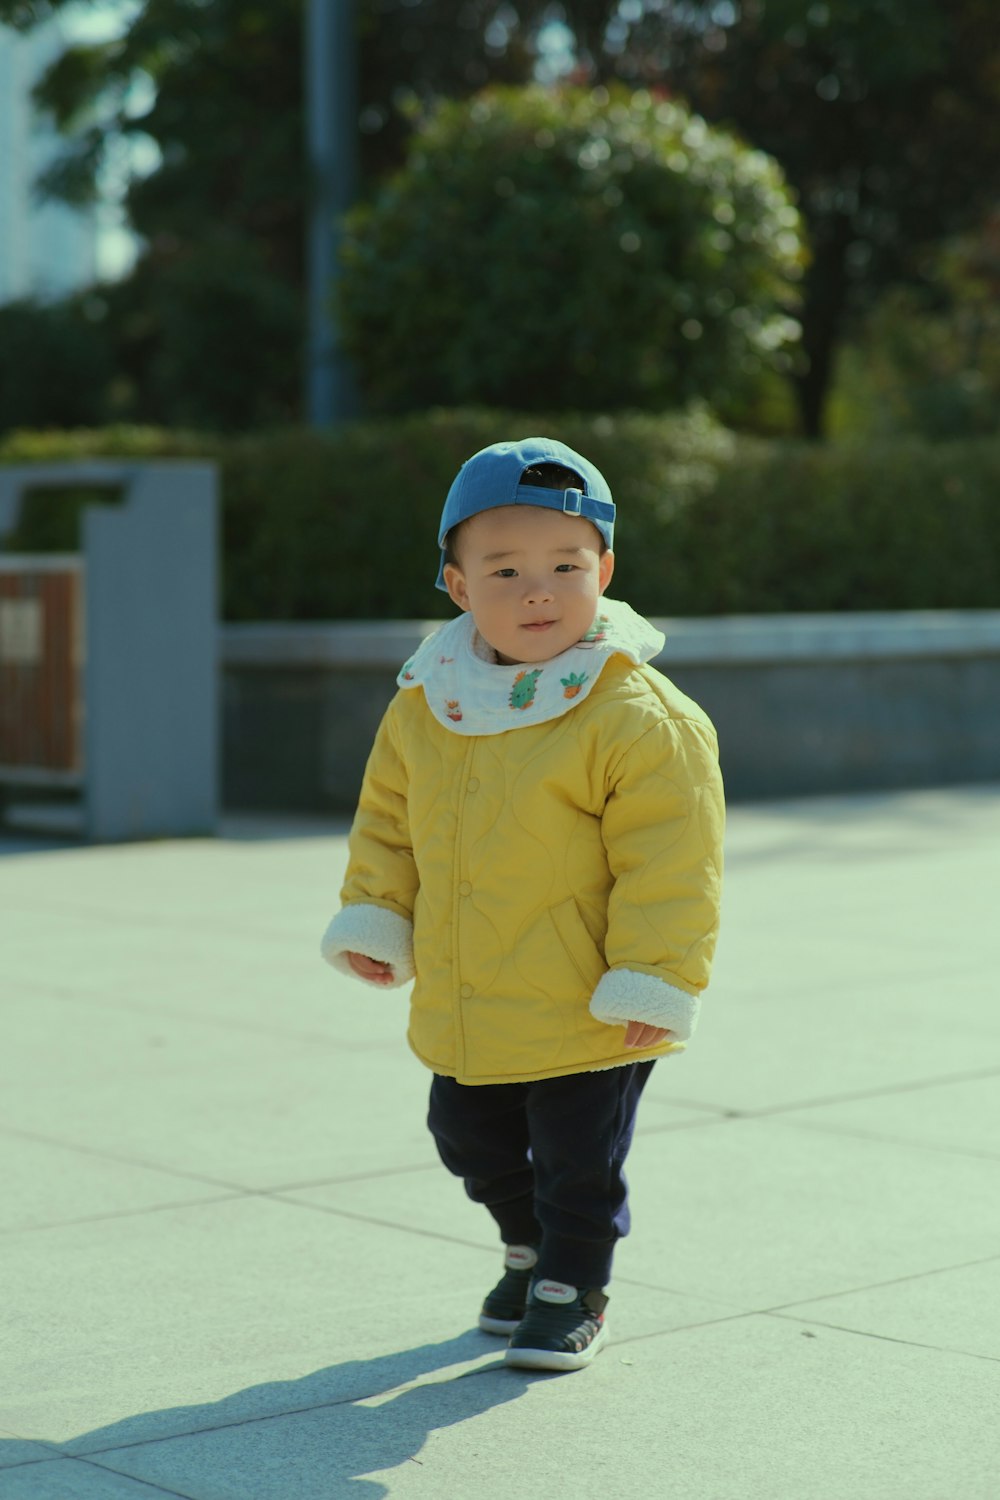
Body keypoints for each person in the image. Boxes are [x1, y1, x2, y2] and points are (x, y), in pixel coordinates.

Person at [321, 436, 724, 1373]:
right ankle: (524, 1244)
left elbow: (673, 861)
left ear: (605, 571)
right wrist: (378, 913)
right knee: (466, 1135)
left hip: (590, 994)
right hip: (472, 983)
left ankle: (571, 1282)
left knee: (578, 1158)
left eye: (565, 566)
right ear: (458, 587)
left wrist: (653, 977)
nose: (537, 589)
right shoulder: (432, 700)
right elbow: (387, 819)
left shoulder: (634, 713)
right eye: (504, 569)